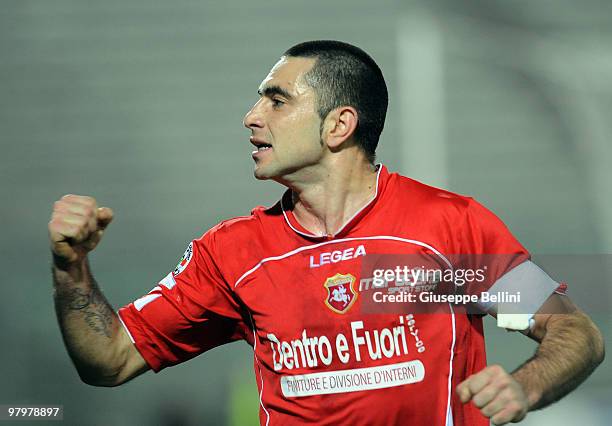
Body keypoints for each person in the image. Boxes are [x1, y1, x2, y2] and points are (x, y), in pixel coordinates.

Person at [49, 40, 604, 426]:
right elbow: (109, 359)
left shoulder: (444, 229)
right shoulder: (233, 253)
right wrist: (71, 269)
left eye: (277, 99)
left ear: (339, 124)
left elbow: (576, 334)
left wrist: (524, 387)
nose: (251, 116)